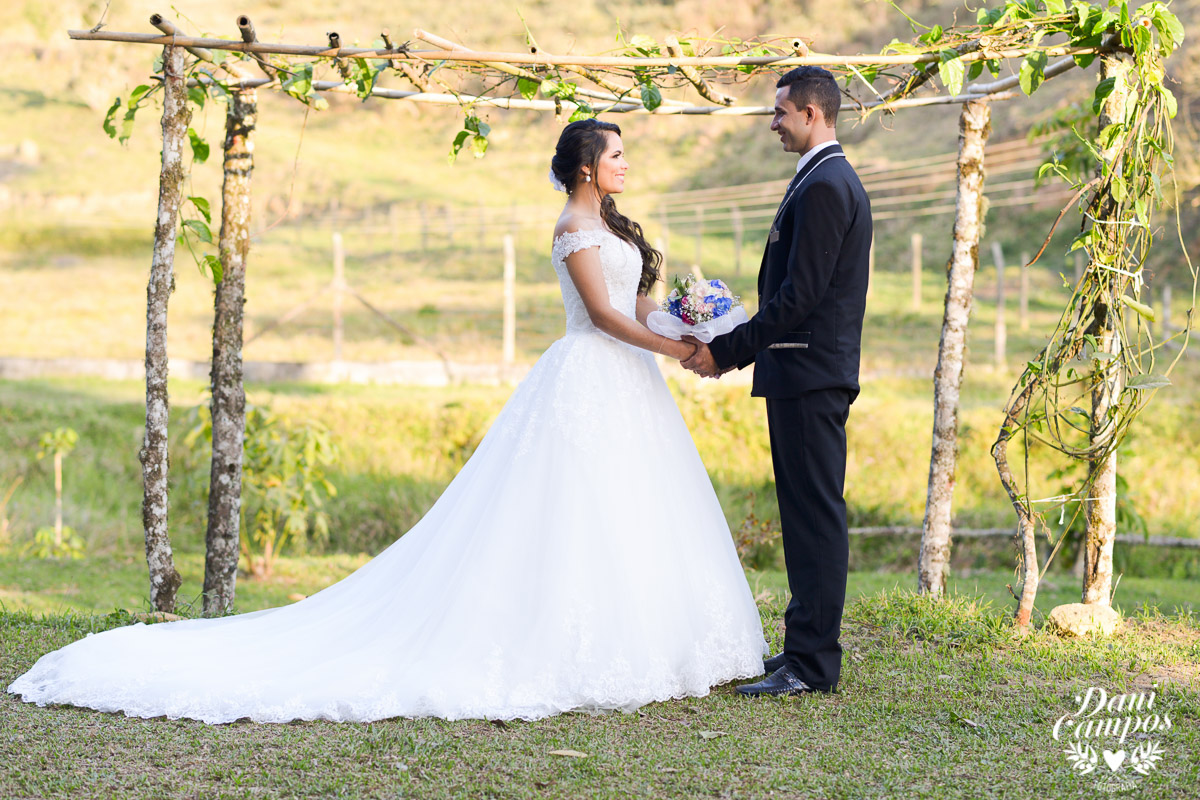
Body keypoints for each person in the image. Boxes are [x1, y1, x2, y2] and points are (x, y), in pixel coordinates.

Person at [8, 118, 766, 724]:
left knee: (633, 508)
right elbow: (600, 315)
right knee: (571, 510)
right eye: (617, 156)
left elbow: (632, 304)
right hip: (589, 373)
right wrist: (670, 348)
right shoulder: (572, 227)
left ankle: (648, 638)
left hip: (630, 381)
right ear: (583, 168)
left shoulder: (617, 226)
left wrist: (691, 320)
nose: (626, 166)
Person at [682, 67, 872, 697]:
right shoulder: (821, 177)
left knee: (815, 517)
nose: (773, 124)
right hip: (802, 371)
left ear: (813, 114)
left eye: (781, 113)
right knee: (803, 515)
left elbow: (798, 297)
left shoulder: (826, 185)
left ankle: (812, 665)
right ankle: (800, 650)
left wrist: (726, 351)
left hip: (811, 373)